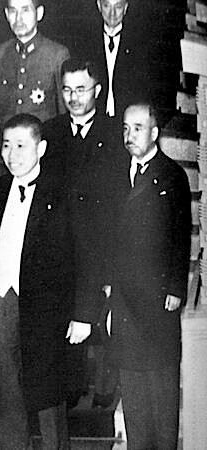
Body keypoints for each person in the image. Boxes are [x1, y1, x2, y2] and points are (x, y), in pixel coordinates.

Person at [0, 114, 72, 449]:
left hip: (42, 302)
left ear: (41, 148)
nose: (12, 154)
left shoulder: (60, 191)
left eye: (20, 145)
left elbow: (72, 255)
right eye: (5, 145)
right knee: (4, 386)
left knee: (45, 386)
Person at [43, 58, 129, 407]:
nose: (73, 97)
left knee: (106, 316)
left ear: (97, 89)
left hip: (104, 238)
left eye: (81, 89)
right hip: (64, 240)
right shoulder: (49, 131)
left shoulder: (113, 132)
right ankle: (73, 384)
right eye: (67, 90)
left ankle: (108, 386)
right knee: (68, 312)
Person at [105, 102, 190, 449]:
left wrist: (175, 287)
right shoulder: (116, 173)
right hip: (125, 300)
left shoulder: (171, 175)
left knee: (161, 392)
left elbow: (180, 234)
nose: (129, 135)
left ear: (154, 132)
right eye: (125, 128)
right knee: (134, 393)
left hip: (157, 300)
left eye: (137, 128)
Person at [0, 0, 69, 177]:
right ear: (6, 15)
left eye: (25, 11)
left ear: (39, 14)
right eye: (13, 12)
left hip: (41, 156)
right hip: (5, 159)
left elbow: (64, 112)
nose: (19, 18)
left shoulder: (57, 54)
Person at [75, 0, 148, 118]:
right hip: (95, 121)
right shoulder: (85, 42)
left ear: (125, 8)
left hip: (127, 122)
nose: (112, 13)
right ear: (99, 6)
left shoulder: (141, 44)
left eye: (118, 7)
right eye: (106, 6)